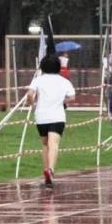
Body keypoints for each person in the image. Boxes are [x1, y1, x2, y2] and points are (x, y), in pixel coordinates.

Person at [27, 55, 76, 188]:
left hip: (41, 116)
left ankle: (46, 171)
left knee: (45, 145)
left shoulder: (38, 80)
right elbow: (72, 97)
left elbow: (30, 94)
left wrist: (32, 104)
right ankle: (51, 170)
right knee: (53, 143)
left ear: (42, 67)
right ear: (58, 67)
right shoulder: (64, 81)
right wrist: (62, 101)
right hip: (57, 116)